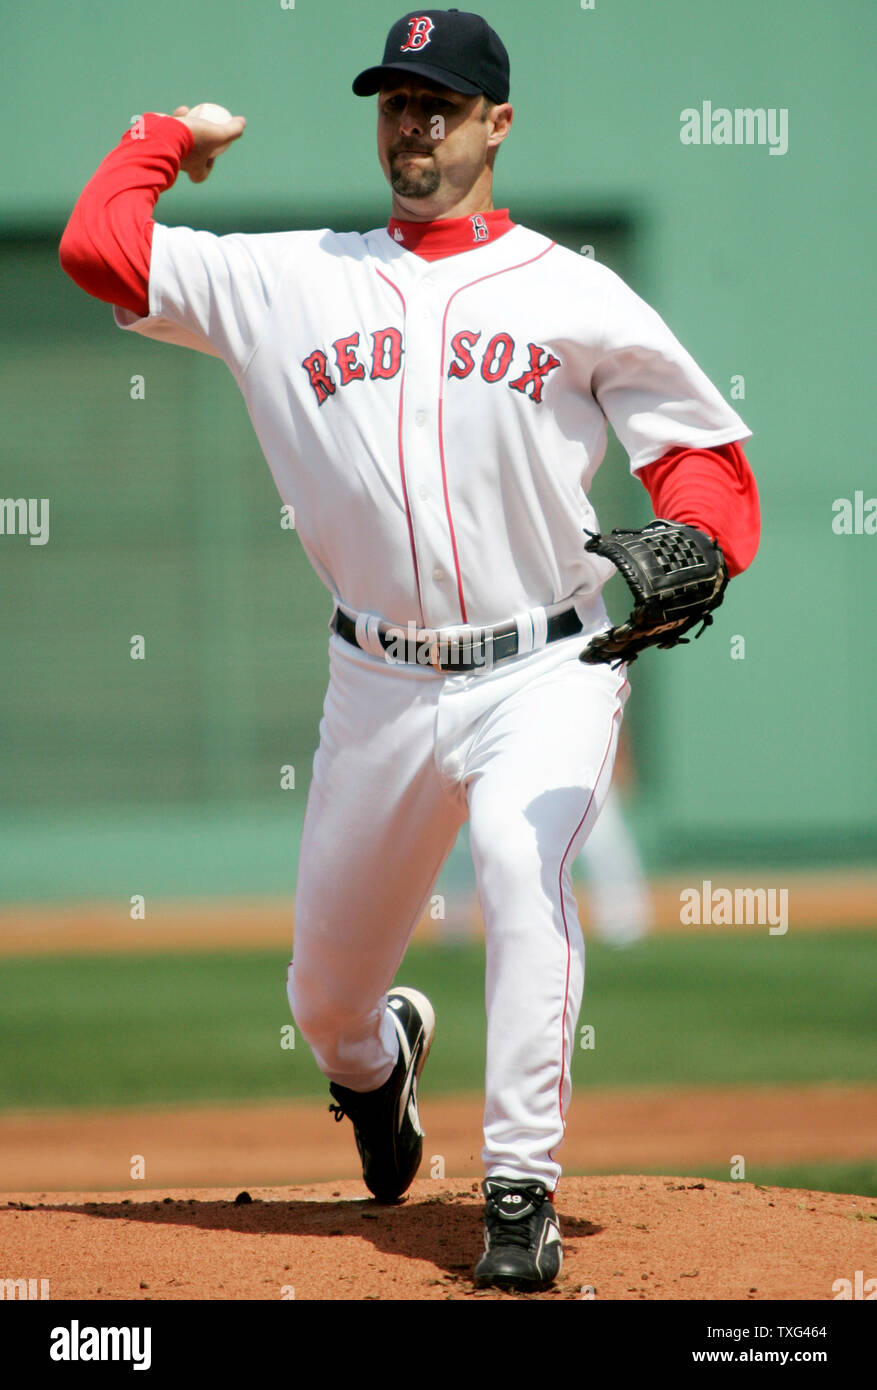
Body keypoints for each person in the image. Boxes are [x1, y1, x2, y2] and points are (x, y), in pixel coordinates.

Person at [59, 8, 760, 1293]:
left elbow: (704, 461)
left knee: (515, 858)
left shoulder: (570, 289)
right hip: (375, 681)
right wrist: (166, 137)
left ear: (497, 124)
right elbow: (95, 247)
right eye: (394, 100)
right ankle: (379, 1066)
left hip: (543, 665)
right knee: (324, 1001)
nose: (413, 122)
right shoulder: (291, 276)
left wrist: (704, 544)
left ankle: (519, 1190)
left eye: (439, 102)